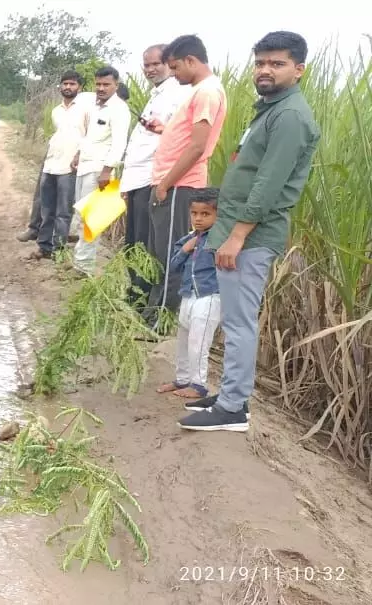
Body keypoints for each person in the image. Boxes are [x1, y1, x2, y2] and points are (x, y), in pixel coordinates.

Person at [180, 31, 319, 432]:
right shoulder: (271, 110)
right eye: (260, 62)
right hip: (238, 230)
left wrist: (238, 236)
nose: (265, 70)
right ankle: (227, 396)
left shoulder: (290, 116)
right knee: (234, 320)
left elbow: (269, 184)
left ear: (298, 70)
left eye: (277, 63)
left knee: (240, 323)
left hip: (252, 236)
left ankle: (234, 408)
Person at [142, 35, 227, 330]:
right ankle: (152, 313)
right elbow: (187, 138)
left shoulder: (207, 92)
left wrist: (166, 183)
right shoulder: (199, 91)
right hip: (172, 183)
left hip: (180, 186)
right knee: (159, 252)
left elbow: (197, 146)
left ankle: (160, 321)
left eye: (176, 67)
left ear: (191, 61)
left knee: (171, 255)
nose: (174, 74)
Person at [118, 44, 190, 307]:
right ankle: (136, 293)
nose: (150, 69)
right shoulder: (156, 95)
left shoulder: (178, 94)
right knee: (135, 241)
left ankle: (147, 299)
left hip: (154, 179)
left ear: (170, 63)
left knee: (150, 245)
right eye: (146, 65)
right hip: (138, 179)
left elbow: (179, 136)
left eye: (155, 64)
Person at [156, 188, 221, 400]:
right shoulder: (188, 238)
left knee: (198, 343)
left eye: (205, 214)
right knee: (183, 339)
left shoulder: (220, 240)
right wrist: (186, 249)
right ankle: (182, 379)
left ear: (218, 215)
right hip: (188, 295)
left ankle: (199, 385)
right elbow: (173, 265)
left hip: (209, 296)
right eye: (194, 214)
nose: (198, 219)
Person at [68, 66, 131, 273]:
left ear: (116, 85)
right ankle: (79, 260)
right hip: (85, 167)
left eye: (106, 84)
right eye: (98, 84)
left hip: (100, 171)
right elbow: (90, 137)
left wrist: (107, 171)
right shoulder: (96, 107)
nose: (101, 88)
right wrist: (78, 155)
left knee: (92, 219)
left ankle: (84, 266)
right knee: (80, 215)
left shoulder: (119, 109)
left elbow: (119, 144)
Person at [24, 71, 88, 258]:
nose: (68, 87)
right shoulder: (56, 111)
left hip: (69, 167)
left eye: (72, 84)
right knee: (46, 209)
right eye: (65, 84)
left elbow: (88, 137)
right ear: (60, 86)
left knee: (63, 211)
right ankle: (44, 247)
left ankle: (58, 250)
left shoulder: (85, 110)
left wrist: (79, 155)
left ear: (80, 87)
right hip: (51, 164)